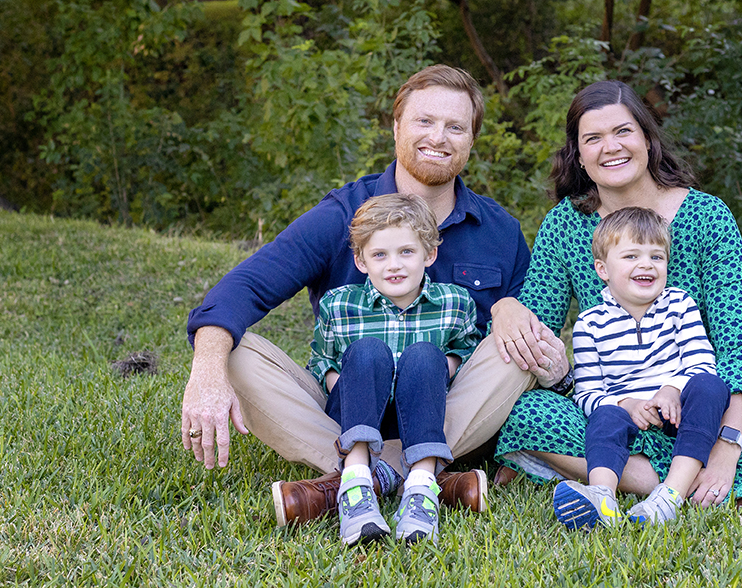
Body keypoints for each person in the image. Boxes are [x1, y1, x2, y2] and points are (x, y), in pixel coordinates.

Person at [180, 65, 565, 526]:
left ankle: (356, 481)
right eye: (425, 121)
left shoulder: (499, 231)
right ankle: (415, 476)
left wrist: (508, 308)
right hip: (344, 407)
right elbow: (242, 289)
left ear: (471, 139)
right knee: (232, 350)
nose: (438, 137)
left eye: (455, 126)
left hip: (447, 406)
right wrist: (207, 371)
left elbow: (541, 349)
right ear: (397, 126)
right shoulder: (343, 215)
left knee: (515, 347)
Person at [490, 80, 742, 521]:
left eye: (623, 132)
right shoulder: (566, 223)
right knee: (528, 415)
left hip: (696, 414)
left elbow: (738, 344)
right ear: (578, 155)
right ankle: (700, 492)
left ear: (648, 140)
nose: (610, 148)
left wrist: (728, 446)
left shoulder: (707, 217)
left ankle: (610, 480)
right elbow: (536, 326)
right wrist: (505, 308)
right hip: (612, 414)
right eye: (592, 138)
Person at [310, 193, 479, 545]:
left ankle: (420, 490)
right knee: (369, 351)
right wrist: (360, 382)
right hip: (357, 408)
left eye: (406, 252)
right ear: (361, 261)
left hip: (420, 412)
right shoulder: (338, 305)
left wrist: (433, 368)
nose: (394, 265)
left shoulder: (455, 303)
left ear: (429, 254)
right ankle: (355, 486)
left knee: (424, 355)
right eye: (379, 255)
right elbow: (322, 361)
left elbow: (467, 352)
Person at [552, 206, 729, 530]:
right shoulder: (590, 324)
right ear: (602, 269)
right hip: (625, 416)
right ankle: (601, 497)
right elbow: (587, 392)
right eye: (631, 256)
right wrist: (626, 404)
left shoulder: (680, 305)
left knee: (710, 386)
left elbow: (701, 362)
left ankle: (670, 496)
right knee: (605, 416)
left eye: (656, 257)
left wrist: (672, 389)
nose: (646, 264)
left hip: (679, 414)